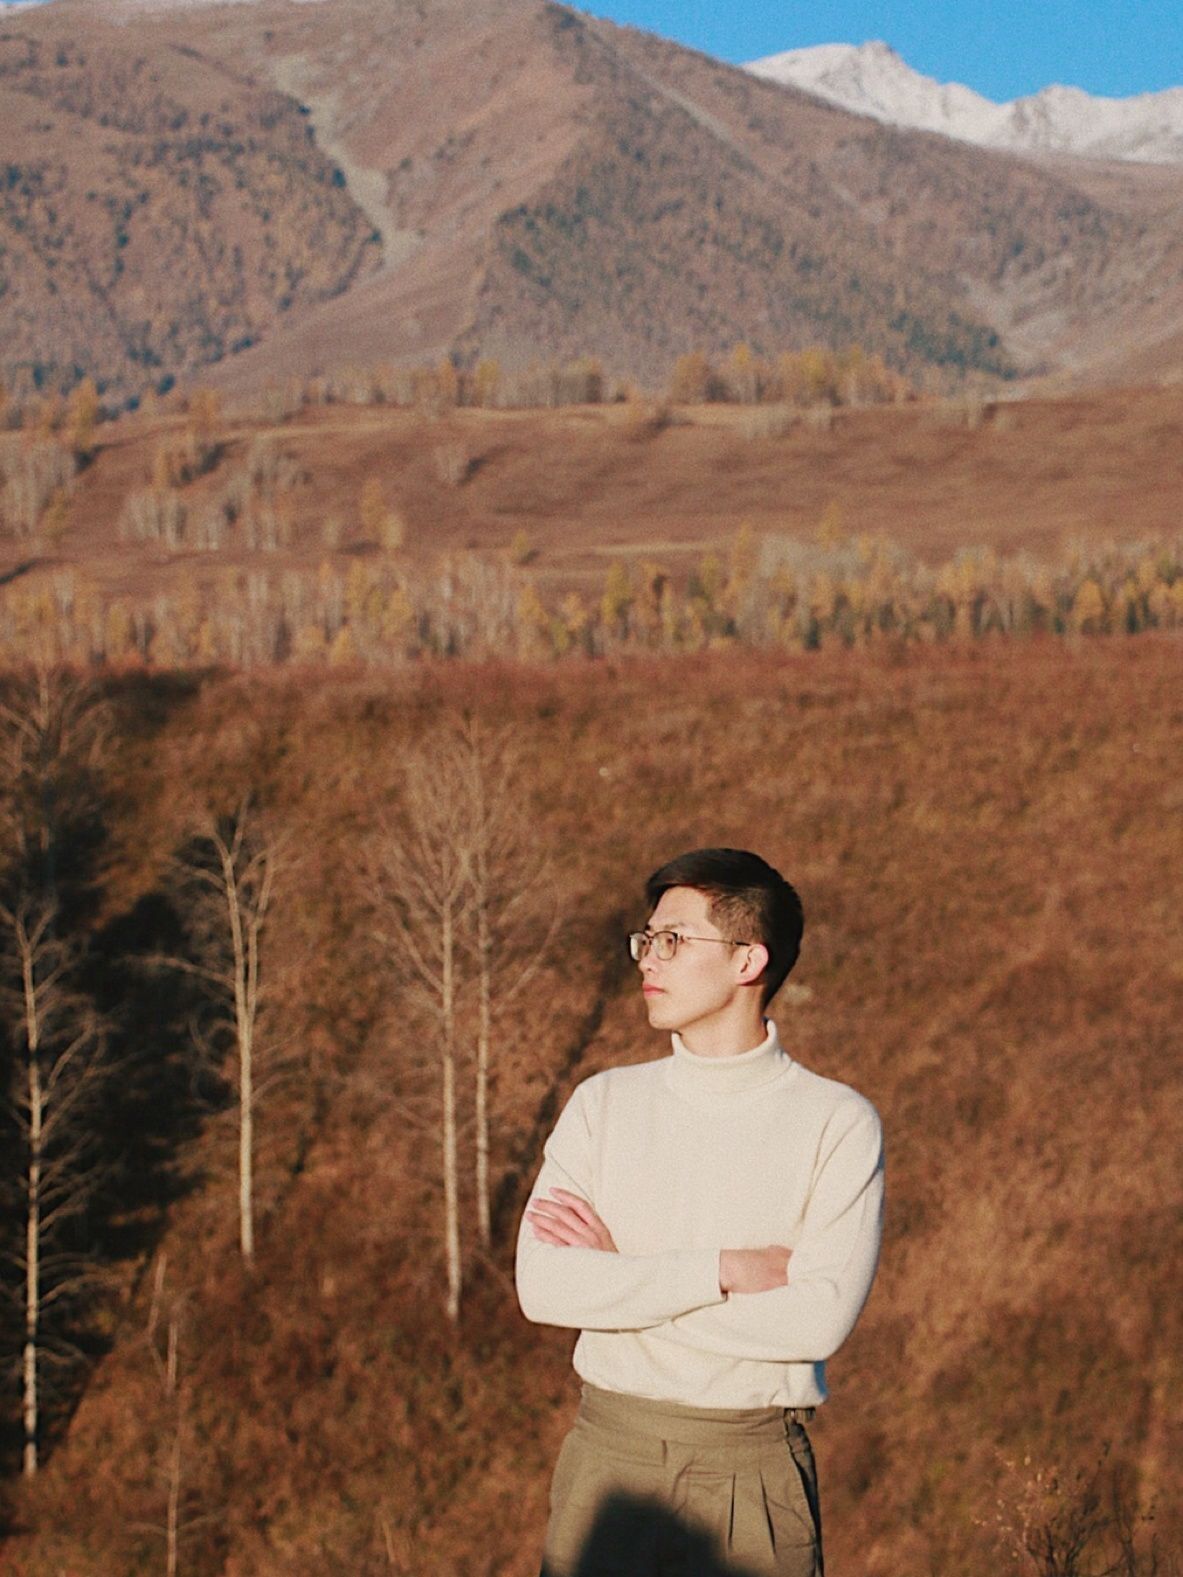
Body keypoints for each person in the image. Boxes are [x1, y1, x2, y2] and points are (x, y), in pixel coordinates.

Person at [515, 848, 884, 1577]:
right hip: (607, 1463)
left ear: (748, 959)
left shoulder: (835, 1122)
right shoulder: (603, 1103)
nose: (646, 960)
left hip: (751, 1468)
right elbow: (544, 1288)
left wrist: (621, 1281)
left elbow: (815, 1323)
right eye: (646, 940)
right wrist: (721, 1270)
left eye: (673, 940)